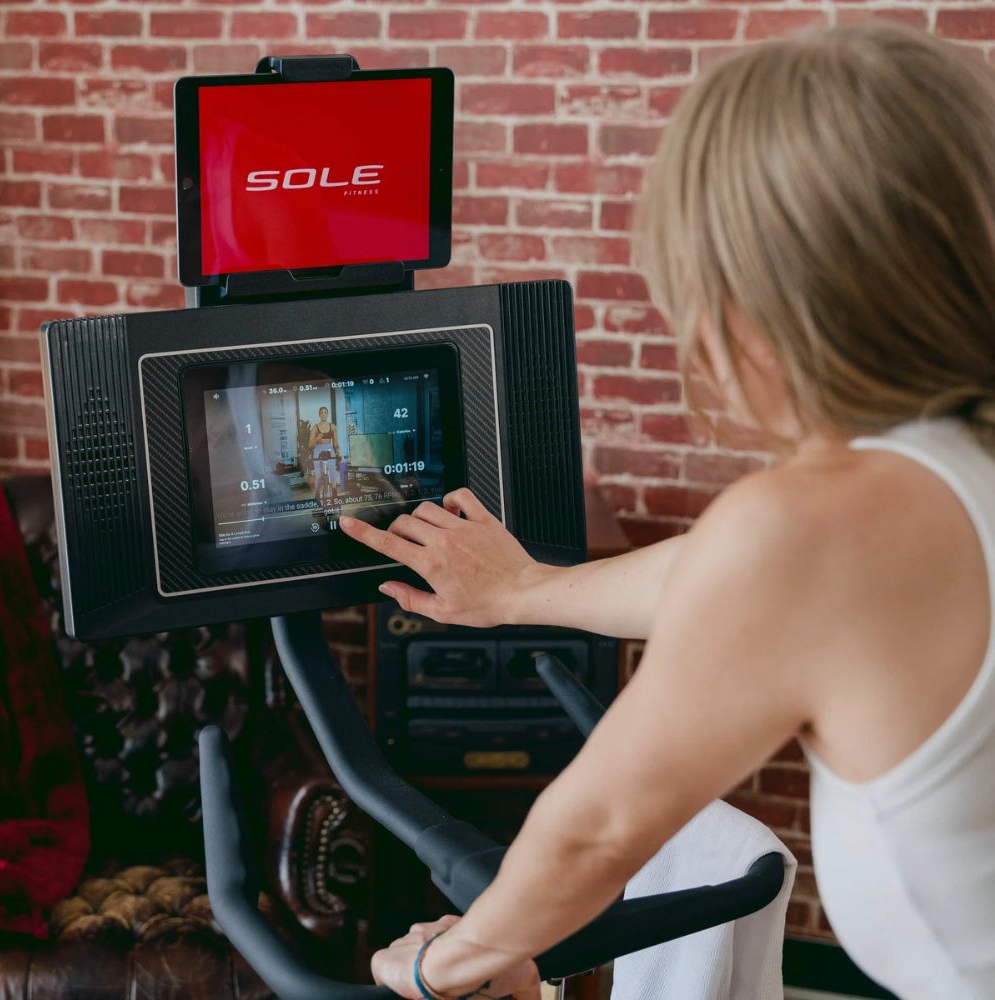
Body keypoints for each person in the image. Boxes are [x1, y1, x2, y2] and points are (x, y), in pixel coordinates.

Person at [340, 22, 995, 1000]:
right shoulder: (939, 473)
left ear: (754, 299)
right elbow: (715, 575)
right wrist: (524, 590)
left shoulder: (813, 527)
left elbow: (598, 830)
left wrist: (448, 963)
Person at [309, 405, 343, 502]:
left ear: (327, 414)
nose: (323, 414)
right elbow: (310, 445)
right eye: (321, 413)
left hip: (329, 449)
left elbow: (335, 443)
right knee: (318, 475)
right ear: (319, 415)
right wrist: (317, 438)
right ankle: (317, 498)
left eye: (325, 412)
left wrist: (338, 454)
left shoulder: (332, 426)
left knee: (332, 473)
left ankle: (335, 498)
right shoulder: (315, 428)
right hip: (318, 450)